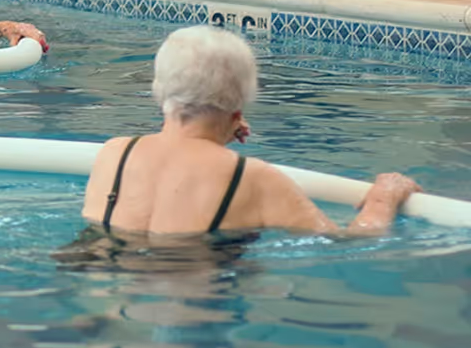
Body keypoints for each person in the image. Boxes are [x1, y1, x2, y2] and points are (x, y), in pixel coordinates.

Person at [82, 25, 420, 237]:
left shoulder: (115, 153)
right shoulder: (254, 178)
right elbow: (352, 241)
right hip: (193, 307)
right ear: (239, 105)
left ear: (159, 88)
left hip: (102, 289)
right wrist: (383, 196)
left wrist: (217, 132)